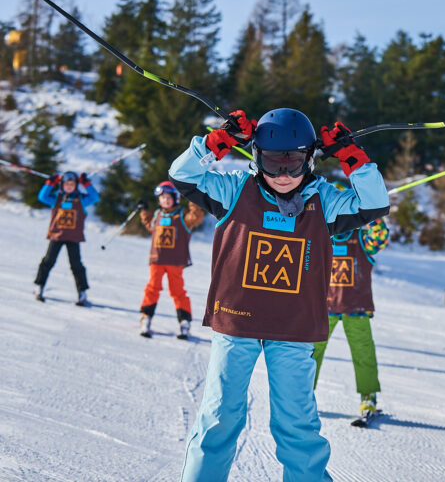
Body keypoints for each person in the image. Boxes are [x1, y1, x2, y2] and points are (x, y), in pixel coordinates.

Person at [169, 107, 389, 482]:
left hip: (293, 330)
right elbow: (182, 175)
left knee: (297, 427)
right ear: (257, 157)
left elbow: (374, 204)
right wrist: (217, 142)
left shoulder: (323, 200)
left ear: (309, 159)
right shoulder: (235, 190)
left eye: (293, 163)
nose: (283, 175)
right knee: (219, 419)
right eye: (273, 163)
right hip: (236, 324)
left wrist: (351, 156)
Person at [311, 183, 389, 419]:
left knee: (363, 352)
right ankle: (303, 395)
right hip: (324, 308)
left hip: (356, 307)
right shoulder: (320, 236)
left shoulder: (362, 238)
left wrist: (374, 213)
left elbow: (380, 237)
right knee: (311, 353)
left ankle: (368, 396)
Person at [138, 180, 204, 339]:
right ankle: (146, 316)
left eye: (168, 198)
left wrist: (193, 198)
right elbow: (149, 225)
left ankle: (184, 321)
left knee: (177, 291)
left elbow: (196, 217)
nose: (165, 201)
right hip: (157, 260)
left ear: (175, 198)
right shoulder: (157, 214)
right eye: (162, 198)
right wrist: (144, 210)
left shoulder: (182, 215)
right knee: (152, 288)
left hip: (175, 261)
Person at [33, 171, 99, 305]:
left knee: (76, 265)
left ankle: (82, 292)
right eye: (66, 184)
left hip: (73, 238)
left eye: (72, 184)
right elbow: (42, 196)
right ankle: (39, 286)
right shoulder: (56, 198)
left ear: (76, 185)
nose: (69, 187)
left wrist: (86, 183)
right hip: (57, 236)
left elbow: (95, 197)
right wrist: (50, 183)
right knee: (48, 261)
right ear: (62, 185)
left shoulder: (81, 199)